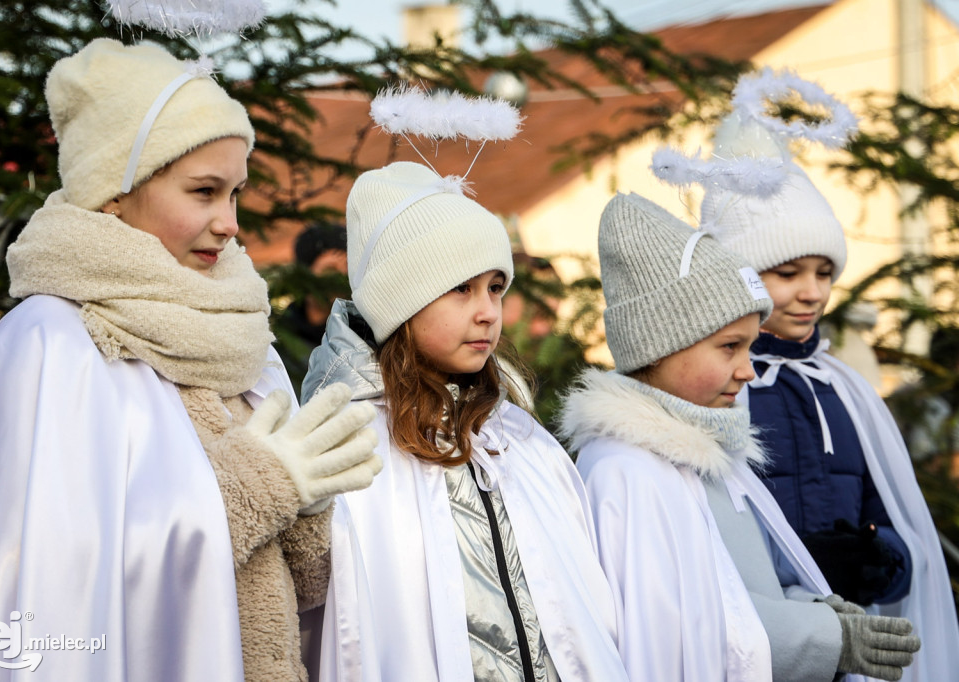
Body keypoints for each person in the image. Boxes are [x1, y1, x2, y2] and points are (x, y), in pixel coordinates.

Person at [0, 39, 381, 681]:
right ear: (115, 190)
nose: (229, 222)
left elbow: (302, 594)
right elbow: (61, 582)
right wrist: (261, 484)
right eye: (203, 191)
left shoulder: (241, 339)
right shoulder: (51, 343)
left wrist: (309, 511)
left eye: (236, 193)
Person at [561, 191, 920, 681]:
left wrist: (815, 606)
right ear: (659, 345)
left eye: (750, 347)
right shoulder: (627, 472)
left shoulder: (705, 452)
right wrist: (823, 636)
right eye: (729, 347)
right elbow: (678, 631)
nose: (748, 371)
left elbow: (752, 586)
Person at [303, 160, 628, 681]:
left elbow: (585, 607)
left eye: (495, 287)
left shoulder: (519, 441)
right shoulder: (352, 450)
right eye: (461, 288)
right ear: (399, 304)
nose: (488, 312)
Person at [700, 75, 959, 681]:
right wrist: (797, 580)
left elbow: (895, 524)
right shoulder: (718, 386)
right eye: (787, 272)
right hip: (766, 650)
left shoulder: (845, 390)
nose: (812, 292)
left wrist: (879, 561)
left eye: (824, 271)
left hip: (856, 651)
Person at [276, 222, 350, 393]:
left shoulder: (361, 333)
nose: (342, 278)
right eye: (330, 270)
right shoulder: (281, 338)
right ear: (305, 276)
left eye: (348, 267)